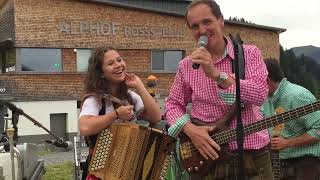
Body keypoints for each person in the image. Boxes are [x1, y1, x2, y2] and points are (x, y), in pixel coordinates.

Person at [164, 0, 273, 179]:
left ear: (221, 20)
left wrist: (217, 75)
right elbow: (172, 105)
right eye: (195, 26)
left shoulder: (249, 53)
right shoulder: (186, 65)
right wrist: (191, 130)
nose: (202, 30)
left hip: (252, 156)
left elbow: (260, 94)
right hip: (207, 157)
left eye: (207, 22)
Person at [79, 47, 161, 179]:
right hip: (101, 172)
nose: (118, 65)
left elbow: (156, 117)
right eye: (110, 63)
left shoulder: (130, 96)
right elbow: (84, 127)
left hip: (127, 167)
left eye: (119, 60)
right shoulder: (95, 99)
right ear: (101, 73)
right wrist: (116, 114)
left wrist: (139, 85)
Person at [261, 58, 320, 180]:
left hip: (307, 165)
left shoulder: (297, 96)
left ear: (266, 80)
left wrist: (288, 143)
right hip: (281, 164)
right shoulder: (265, 99)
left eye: (255, 80)